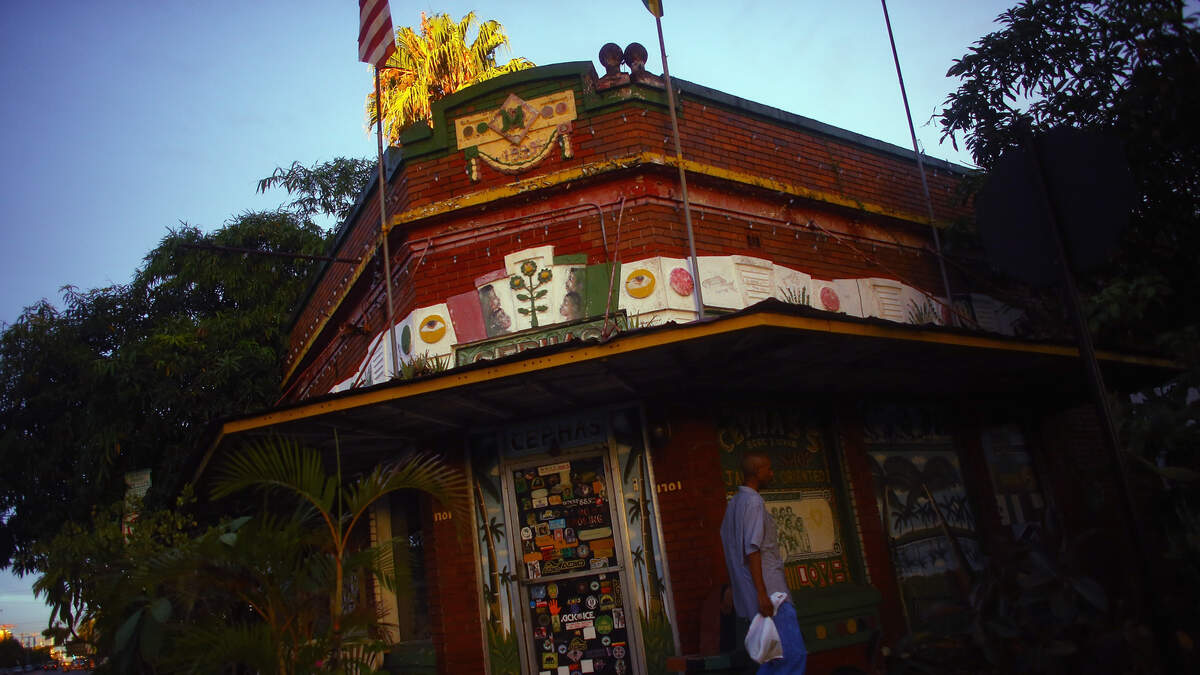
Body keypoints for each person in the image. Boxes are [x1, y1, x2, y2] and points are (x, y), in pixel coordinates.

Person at [720, 451, 807, 674]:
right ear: (757, 472)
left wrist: (733, 587)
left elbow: (733, 552)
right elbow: (752, 550)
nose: (771, 473)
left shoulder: (733, 504)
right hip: (771, 596)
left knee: (772, 660)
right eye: (768, 469)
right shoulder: (754, 502)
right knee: (792, 656)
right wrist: (762, 594)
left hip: (751, 598)